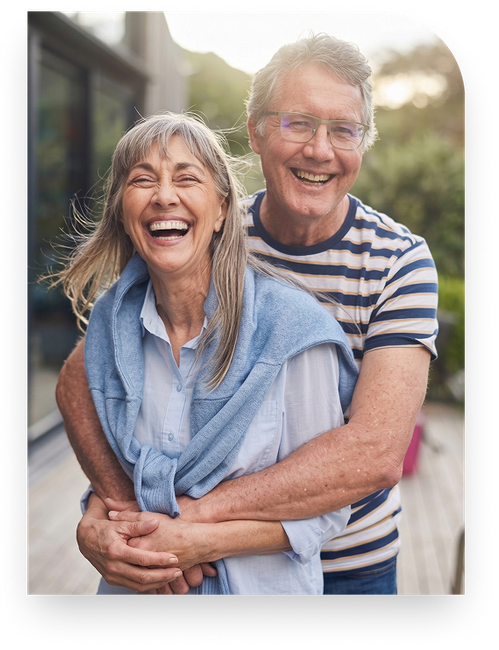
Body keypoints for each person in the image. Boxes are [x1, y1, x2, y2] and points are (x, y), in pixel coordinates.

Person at [56, 33, 438, 596]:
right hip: (192, 566)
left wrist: (189, 523)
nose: (320, 150)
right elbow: (82, 377)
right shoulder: (200, 228)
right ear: (257, 130)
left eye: (343, 130)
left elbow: (375, 453)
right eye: (298, 123)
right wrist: (113, 511)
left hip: (351, 564)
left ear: (364, 143)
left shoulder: (398, 260)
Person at [51, 111, 358, 595]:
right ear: (124, 215)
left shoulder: (291, 330)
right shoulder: (113, 328)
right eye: (142, 180)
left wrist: (192, 545)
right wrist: (94, 524)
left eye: (187, 178)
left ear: (220, 212)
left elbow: (326, 510)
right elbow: (118, 474)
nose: (164, 195)